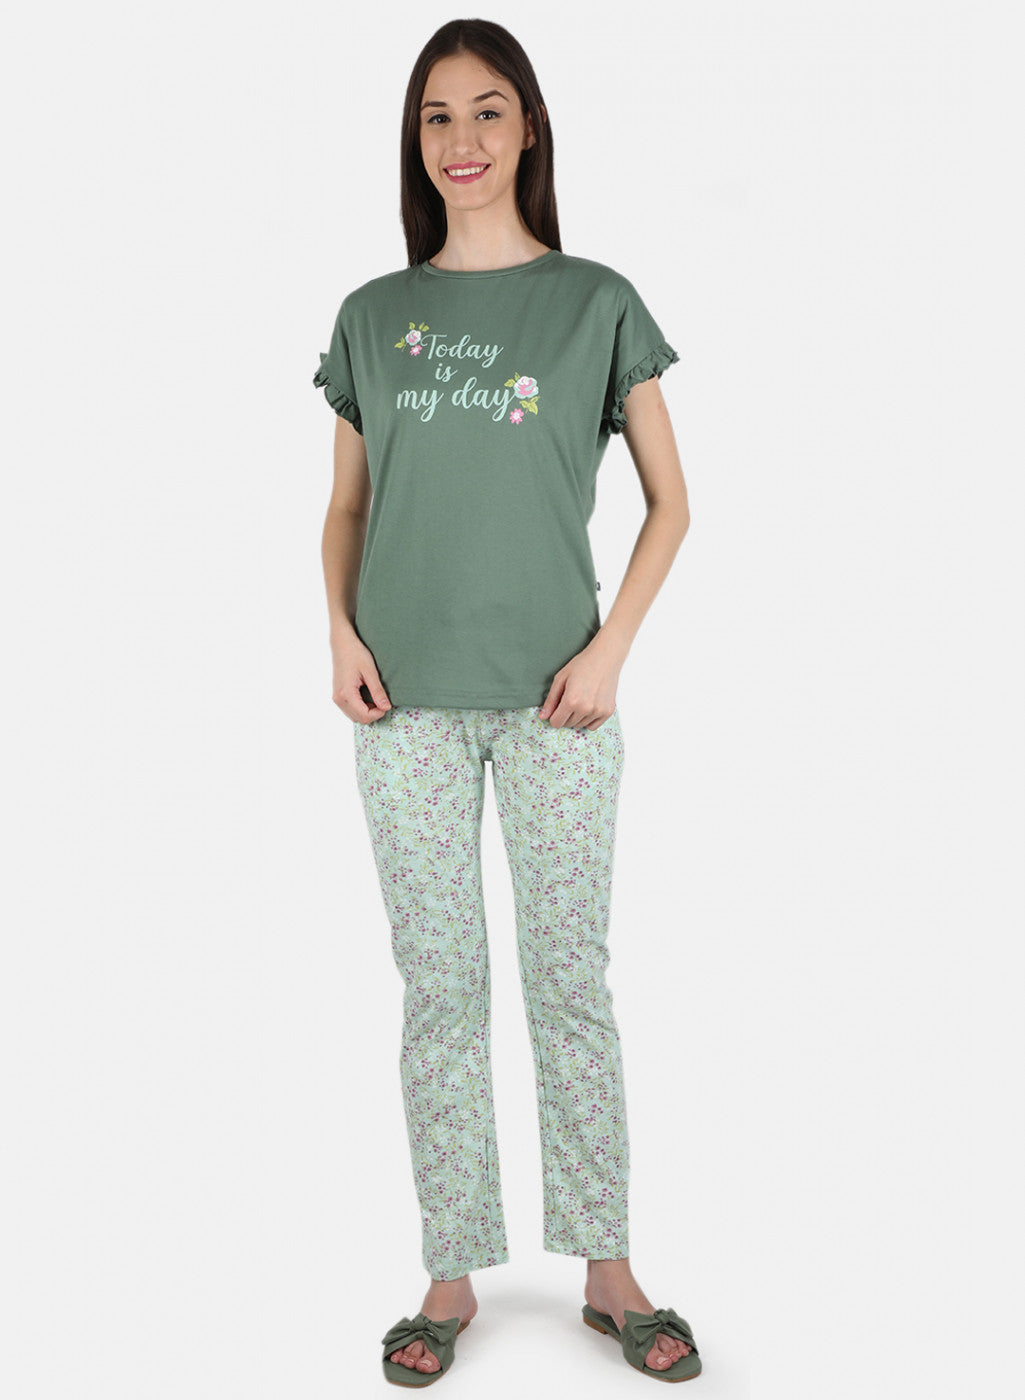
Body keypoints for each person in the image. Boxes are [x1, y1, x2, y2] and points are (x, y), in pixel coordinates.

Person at [312, 18, 701, 1388]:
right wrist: (340, 631)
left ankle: (607, 1268)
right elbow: (347, 505)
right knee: (440, 988)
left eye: (487, 110)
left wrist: (609, 654)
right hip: (403, 708)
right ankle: (449, 1271)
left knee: (568, 978)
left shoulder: (596, 302)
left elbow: (672, 505)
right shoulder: (373, 316)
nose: (462, 139)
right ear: (414, 143)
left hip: (559, 706)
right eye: (437, 116)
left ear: (528, 125)